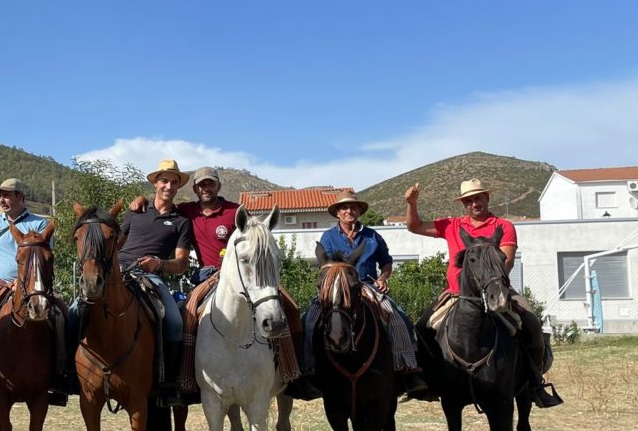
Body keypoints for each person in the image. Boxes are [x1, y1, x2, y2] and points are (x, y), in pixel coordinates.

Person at [127, 166, 319, 401]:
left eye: (210, 184)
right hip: (207, 277)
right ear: (195, 189)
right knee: (186, 313)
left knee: (290, 307)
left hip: (247, 276)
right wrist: (141, 200)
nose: (206, 188)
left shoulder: (234, 212)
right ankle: (186, 377)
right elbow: (161, 204)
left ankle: (296, 374)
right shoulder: (187, 212)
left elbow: (254, 239)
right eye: (201, 185)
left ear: (218, 186)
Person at [405, 178, 562, 408]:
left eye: (478, 198)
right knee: (422, 326)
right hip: (456, 294)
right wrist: (411, 204)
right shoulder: (452, 225)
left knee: (531, 323)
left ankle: (534, 382)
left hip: (496, 290)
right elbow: (414, 226)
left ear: (487, 198)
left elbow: (506, 261)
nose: (474, 203)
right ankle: (431, 380)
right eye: (468, 200)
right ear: (463, 204)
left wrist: (492, 286)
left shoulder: (503, 226)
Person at [0, 178, 71, 405]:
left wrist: (25, 281)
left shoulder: (39, 224)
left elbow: (45, 259)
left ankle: (62, 377)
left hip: (35, 288)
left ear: (21, 197)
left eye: (7, 195)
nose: (2, 200)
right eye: (0, 195)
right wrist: (3, 266)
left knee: (65, 318)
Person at [303, 194, 429, 397]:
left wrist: (383, 278)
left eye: (353, 207)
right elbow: (325, 265)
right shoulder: (328, 237)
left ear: (359, 211)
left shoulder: (373, 236)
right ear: (337, 212)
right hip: (337, 287)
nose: (349, 211)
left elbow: (386, 262)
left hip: (367, 286)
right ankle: (308, 370)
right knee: (309, 319)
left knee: (398, 316)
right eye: (344, 208)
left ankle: (409, 368)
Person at [105, 159, 195, 406]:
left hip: (151, 278)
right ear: (155, 183)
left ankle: (169, 385)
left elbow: (182, 263)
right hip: (119, 273)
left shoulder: (181, 221)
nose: (169, 186)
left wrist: (159, 263)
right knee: (75, 310)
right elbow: (116, 244)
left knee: (175, 323)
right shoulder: (135, 211)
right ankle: (71, 374)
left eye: (174, 182)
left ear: (178, 187)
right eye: (164, 180)